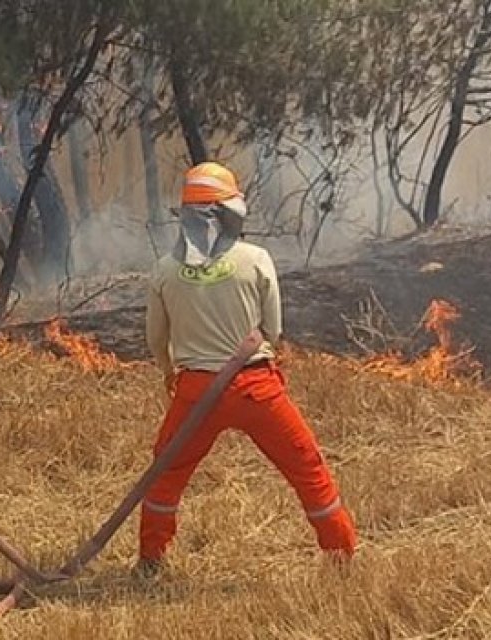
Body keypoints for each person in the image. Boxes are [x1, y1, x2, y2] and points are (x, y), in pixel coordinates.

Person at [138, 161, 357, 576]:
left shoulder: (165, 270)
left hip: (195, 391)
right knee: (306, 466)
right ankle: (342, 554)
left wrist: (169, 371)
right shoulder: (256, 259)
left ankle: (151, 561)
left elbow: (155, 339)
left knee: (165, 475)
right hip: (257, 388)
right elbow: (273, 330)